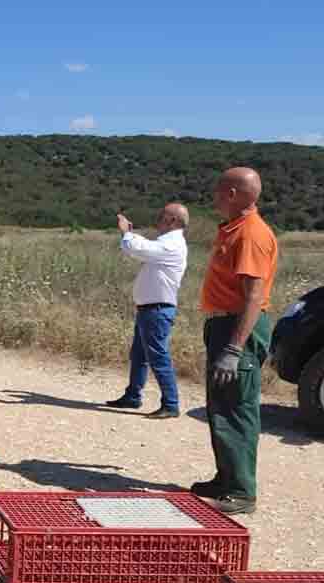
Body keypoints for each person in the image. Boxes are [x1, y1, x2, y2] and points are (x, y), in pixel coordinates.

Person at [192, 167, 279, 515]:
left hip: (237, 329)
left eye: (218, 190)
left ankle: (242, 491)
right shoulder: (235, 229)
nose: (214, 196)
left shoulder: (250, 235)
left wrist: (233, 349)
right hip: (224, 325)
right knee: (221, 407)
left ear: (232, 193)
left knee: (237, 409)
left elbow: (253, 297)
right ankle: (226, 479)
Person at [105, 203, 190, 418]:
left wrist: (126, 233)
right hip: (150, 310)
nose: (158, 218)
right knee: (140, 355)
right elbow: (143, 247)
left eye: (162, 215)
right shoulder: (168, 243)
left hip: (157, 310)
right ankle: (133, 396)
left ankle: (170, 404)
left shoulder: (173, 244)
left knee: (158, 357)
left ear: (172, 220)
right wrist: (131, 235)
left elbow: (140, 248)